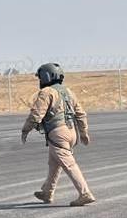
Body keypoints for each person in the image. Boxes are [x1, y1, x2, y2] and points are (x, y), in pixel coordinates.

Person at [21, 62, 95, 207]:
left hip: (57, 133)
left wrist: (25, 130)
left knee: (69, 164)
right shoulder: (68, 92)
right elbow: (80, 114)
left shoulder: (46, 92)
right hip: (71, 132)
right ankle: (47, 192)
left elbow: (36, 114)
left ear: (46, 77)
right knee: (54, 163)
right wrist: (84, 133)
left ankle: (85, 193)